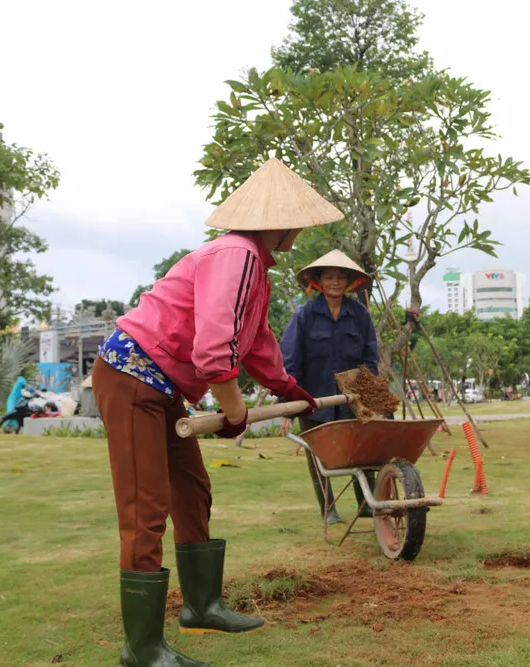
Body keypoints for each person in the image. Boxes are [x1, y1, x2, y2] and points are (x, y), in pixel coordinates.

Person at [91, 159, 341, 667]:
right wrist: (234, 410)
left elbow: (257, 343)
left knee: (193, 489)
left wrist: (290, 388)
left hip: (160, 384)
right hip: (132, 374)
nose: (299, 231)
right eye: (298, 223)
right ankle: (142, 649)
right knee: (146, 508)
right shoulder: (237, 255)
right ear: (283, 221)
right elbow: (214, 348)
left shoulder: (253, 264)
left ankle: (201, 606)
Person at [278, 250, 379, 525]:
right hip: (312, 400)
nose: (335, 282)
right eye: (329, 277)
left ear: (349, 282)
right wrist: (288, 407)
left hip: (351, 399)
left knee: (362, 453)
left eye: (340, 277)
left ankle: (366, 504)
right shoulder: (305, 315)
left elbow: (369, 359)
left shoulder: (359, 315)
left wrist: (370, 397)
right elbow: (290, 361)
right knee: (318, 459)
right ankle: (329, 510)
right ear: (319, 281)